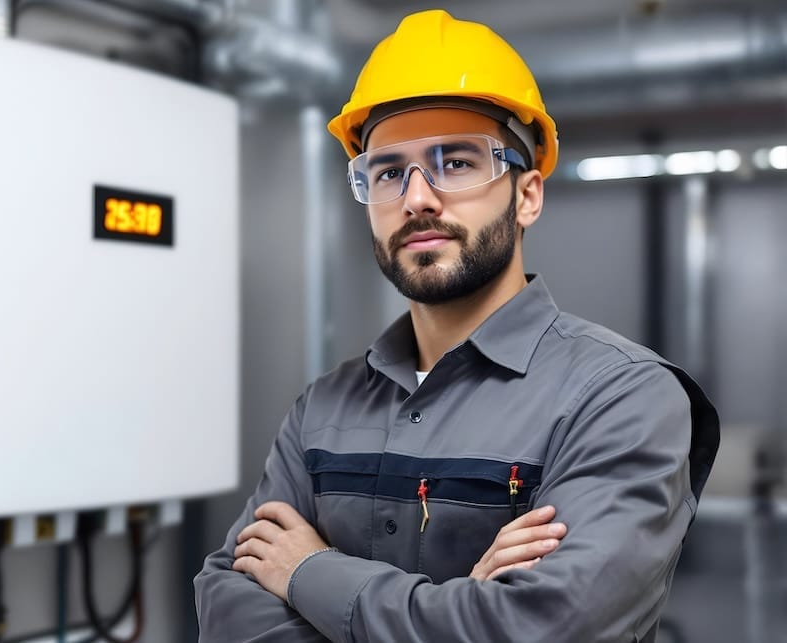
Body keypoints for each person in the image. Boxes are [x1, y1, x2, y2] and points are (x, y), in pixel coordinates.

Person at [194, 9, 720, 642]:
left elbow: (545, 631)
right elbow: (227, 607)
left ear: (526, 194)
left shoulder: (621, 398)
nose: (417, 197)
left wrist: (310, 572)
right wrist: (461, 607)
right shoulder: (323, 407)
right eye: (388, 172)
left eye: (457, 162)